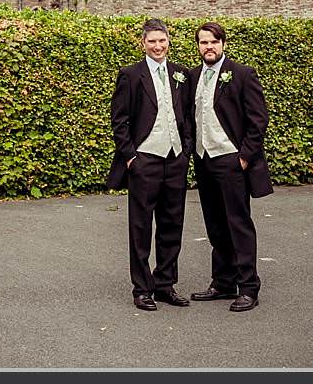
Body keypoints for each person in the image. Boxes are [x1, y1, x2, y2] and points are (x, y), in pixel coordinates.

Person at [106, 18, 197, 311]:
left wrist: (186, 150)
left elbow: (187, 114)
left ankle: (165, 284)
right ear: (143, 43)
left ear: (168, 41)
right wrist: (131, 156)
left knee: (172, 223)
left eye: (162, 40)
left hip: (175, 159)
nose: (158, 46)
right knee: (141, 226)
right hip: (144, 159)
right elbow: (119, 120)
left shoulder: (181, 73)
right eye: (152, 41)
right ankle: (142, 287)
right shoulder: (130, 75)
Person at [188, 21, 269, 312]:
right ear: (198, 45)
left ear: (223, 43)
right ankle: (223, 282)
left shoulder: (243, 74)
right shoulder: (193, 75)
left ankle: (249, 287)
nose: (208, 47)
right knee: (215, 223)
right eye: (203, 42)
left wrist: (244, 156)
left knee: (238, 223)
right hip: (204, 158)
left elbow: (258, 119)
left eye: (213, 42)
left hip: (232, 159)